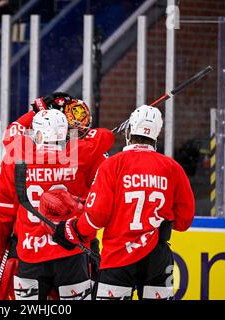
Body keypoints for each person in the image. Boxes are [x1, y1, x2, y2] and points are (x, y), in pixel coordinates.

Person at [48, 105, 195, 300]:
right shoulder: (172, 168)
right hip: (157, 259)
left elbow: (96, 217)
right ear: (156, 135)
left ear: (129, 130)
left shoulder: (112, 165)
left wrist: (71, 230)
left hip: (118, 256)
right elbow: (184, 221)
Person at [0, 108, 114, 300]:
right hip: (71, 251)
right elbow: (105, 136)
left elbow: (3, 208)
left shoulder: (17, 155)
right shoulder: (80, 154)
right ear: (65, 132)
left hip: (30, 251)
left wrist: (37, 109)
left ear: (38, 133)